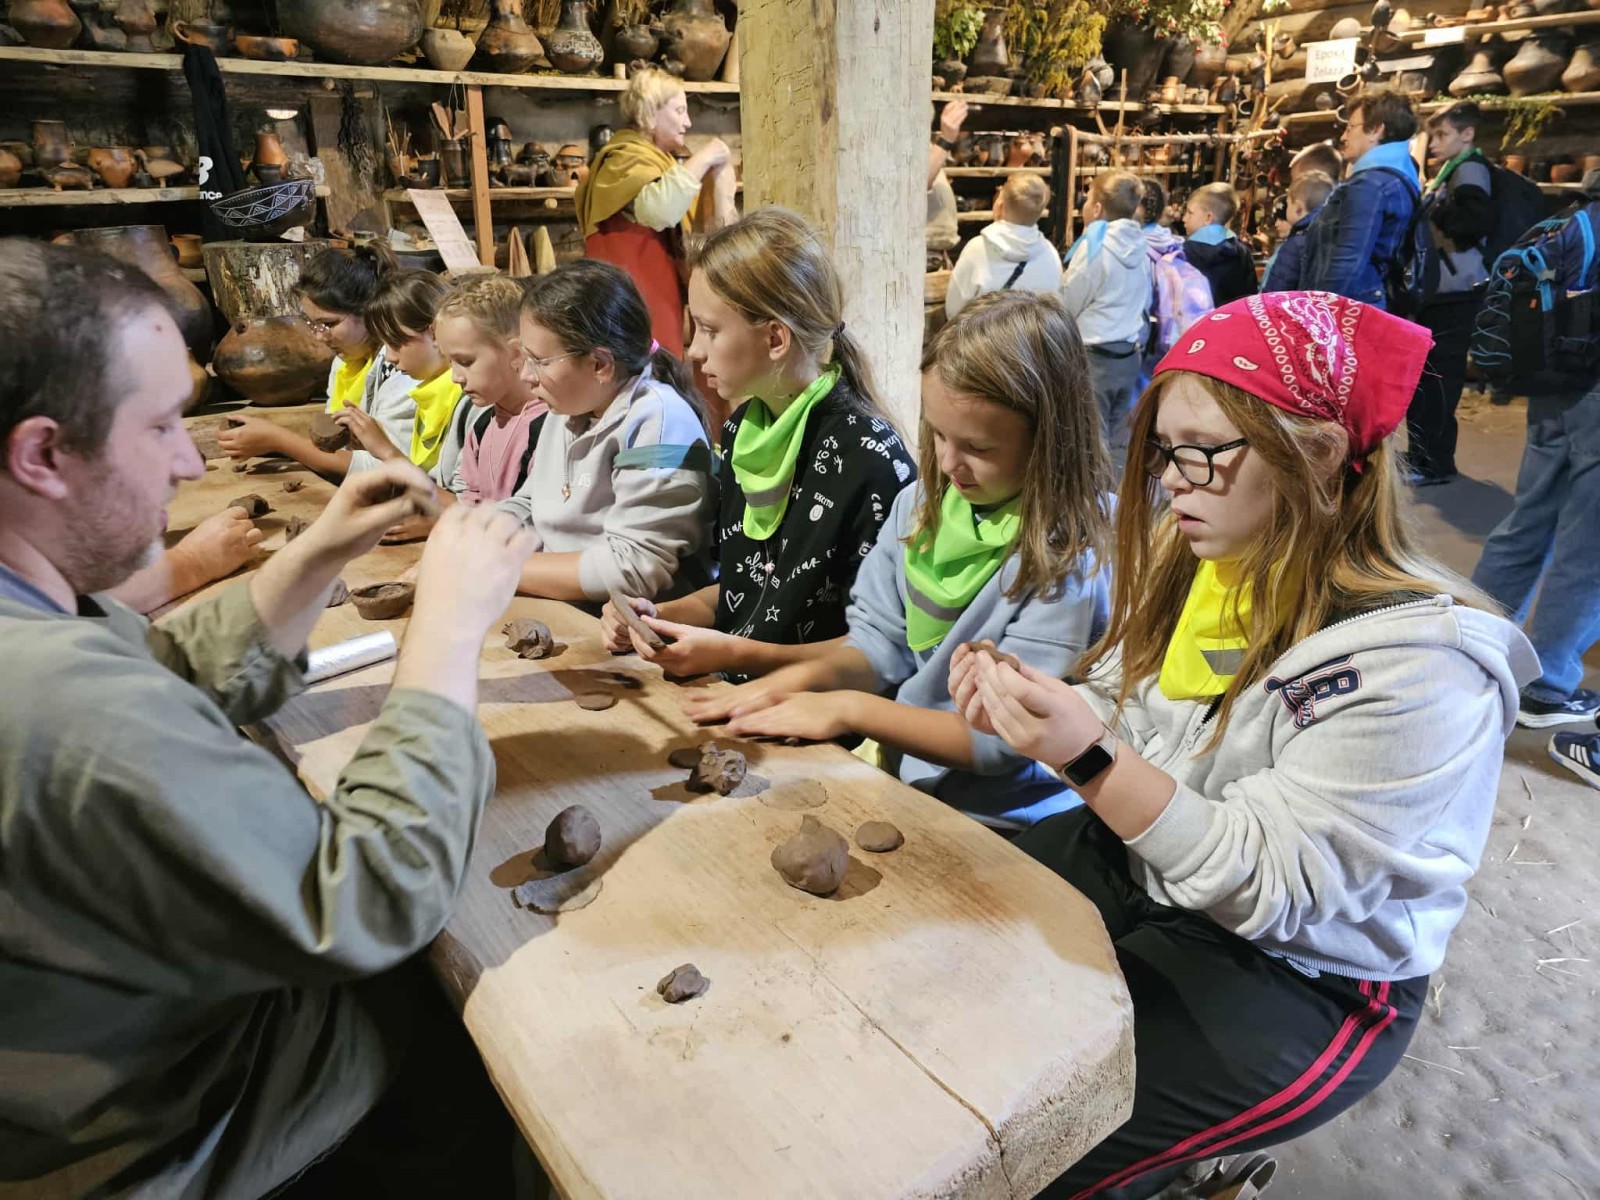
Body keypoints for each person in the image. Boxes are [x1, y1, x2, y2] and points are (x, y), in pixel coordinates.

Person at [950, 290, 1536, 1197]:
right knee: (955, 978)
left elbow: (1273, 884)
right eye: (1163, 451)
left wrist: (1089, 757)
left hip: (1304, 972)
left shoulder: (1422, 669)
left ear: (1320, 454)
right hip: (1155, 864)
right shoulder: (1216, 560)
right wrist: (1045, 705)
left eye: (1202, 451)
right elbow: (1139, 709)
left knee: (1044, 1138)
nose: (1171, 481)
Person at [0, 238, 540, 1199]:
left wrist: (319, 551)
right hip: (187, 1128)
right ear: (41, 455)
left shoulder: (33, 631)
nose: (186, 460)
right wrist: (448, 629)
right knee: (493, 1041)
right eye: (160, 426)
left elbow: (151, 675)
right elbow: (371, 898)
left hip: (116, 1058)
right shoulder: (55, 705)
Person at [685, 290, 1112, 830]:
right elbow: (878, 644)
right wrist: (783, 684)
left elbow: (1000, 742)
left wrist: (849, 709)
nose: (949, 463)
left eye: (978, 448)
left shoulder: (1068, 561)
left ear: (1049, 440)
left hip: (1008, 821)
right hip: (908, 782)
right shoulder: (920, 506)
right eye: (937, 433)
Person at [600, 207, 914, 680]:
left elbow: (881, 651)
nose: (694, 350)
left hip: (813, 715)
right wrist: (658, 615)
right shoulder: (741, 430)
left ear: (774, 338)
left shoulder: (868, 457)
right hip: (737, 695)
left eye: (710, 330)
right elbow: (744, 588)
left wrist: (732, 654)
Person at [503, 260, 714, 602]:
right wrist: (476, 538)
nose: (527, 376)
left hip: (626, 617)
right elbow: (532, 502)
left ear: (599, 365)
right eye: (525, 357)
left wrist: (498, 568)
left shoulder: (658, 421)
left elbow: (634, 568)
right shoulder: (568, 405)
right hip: (561, 597)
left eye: (540, 361)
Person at [1470, 177, 1600, 729]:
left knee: (1528, 523)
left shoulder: (1576, 219)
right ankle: (1545, 685)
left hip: (1556, 385)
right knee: (1589, 549)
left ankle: (1472, 652)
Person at [219, 246, 425, 476]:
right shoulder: (344, 364)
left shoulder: (403, 371)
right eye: (313, 324)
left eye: (329, 324)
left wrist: (278, 441)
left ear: (369, 311)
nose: (319, 336)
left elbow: (383, 467)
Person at [574, 66, 735, 358]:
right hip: (628, 305)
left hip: (652, 300)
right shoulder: (623, 158)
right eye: (680, 110)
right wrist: (707, 155)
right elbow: (661, 210)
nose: (687, 122)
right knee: (636, 376)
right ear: (650, 112)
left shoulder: (657, 161)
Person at [383, 273, 549, 546]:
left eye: (466, 361)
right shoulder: (481, 425)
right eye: (451, 362)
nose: (455, 377)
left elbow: (538, 520)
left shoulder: (549, 428)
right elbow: (467, 500)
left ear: (515, 353)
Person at [1404, 101, 1495, 485]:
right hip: (1445, 289)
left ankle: (1434, 464)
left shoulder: (1470, 170)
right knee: (1431, 376)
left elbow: (1473, 221)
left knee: (1439, 379)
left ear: (1467, 134)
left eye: (1442, 135)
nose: (1435, 143)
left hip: (1457, 291)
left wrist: (1436, 209)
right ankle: (1425, 457)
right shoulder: (1452, 172)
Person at [1062, 169, 1153, 469]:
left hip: (1095, 357)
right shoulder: (1142, 245)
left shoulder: (1094, 247)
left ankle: (1093, 494)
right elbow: (1145, 299)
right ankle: (1116, 491)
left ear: (1098, 208)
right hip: (1128, 356)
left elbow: (1070, 301)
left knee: (1090, 435)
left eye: (1088, 200)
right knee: (1116, 436)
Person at [1297, 88, 1420, 308]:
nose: (1343, 137)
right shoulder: (1398, 177)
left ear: (1376, 130)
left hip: (1351, 309)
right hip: (1368, 302)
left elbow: (1347, 259)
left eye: (1350, 127)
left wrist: (1319, 311)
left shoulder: (1370, 185)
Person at [336, 268, 466, 475]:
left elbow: (447, 490)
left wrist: (386, 451)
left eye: (396, 343)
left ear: (434, 332)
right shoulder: (428, 390)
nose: (389, 357)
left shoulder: (469, 399)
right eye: (385, 344)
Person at [945, 174, 1062, 318]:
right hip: (1033, 333)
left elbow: (953, 309)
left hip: (987, 332)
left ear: (1000, 206)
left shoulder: (978, 249)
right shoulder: (1050, 254)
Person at [1182, 182, 1258, 308]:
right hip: (1232, 318)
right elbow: (1250, 297)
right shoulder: (1242, 252)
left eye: (1190, 213)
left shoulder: (1185, 253)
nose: (1184, 218)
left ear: (1208, 218)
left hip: (1199, 320)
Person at [1261, 170, 1334, 293]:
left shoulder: (1295, 245)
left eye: (1289, 204)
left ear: (1298, 208)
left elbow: (1277, 290)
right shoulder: (1335, 236)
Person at [927, 98, 967, 270]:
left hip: (935, 259)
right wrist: (946, 139)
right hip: (922, 259)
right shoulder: (903, 148)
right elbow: (916, 185)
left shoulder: (927, 148)